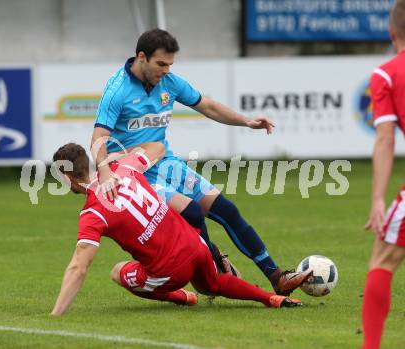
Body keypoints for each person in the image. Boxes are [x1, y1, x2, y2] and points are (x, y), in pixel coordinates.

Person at [91, 28, 311, 295]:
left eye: (170, 64)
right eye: (161, 64)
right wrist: (103, 169)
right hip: (139, 178)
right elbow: (99, 136)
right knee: (193, 214)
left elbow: (206, 105)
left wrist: (246, 121)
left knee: (226, 209)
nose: (166, 70)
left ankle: (277, 276)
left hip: (167, 164)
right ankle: (214, 266)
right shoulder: (117, 91)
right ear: (141, 57)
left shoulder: (168, 82)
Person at [50, 142, 303, 315]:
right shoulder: (124, 168)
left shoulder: (92, 212)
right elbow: (158, 147)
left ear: (66, 177)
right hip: (197, 246)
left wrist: (56, 312)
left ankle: (182, 297)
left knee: (117, 272)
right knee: (211, 284)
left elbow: (78, 267)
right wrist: (112, 161)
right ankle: (270, 297)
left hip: (171, 272)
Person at [363, 1, 405, 348]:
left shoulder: (388, 74)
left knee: (383, 259)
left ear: (392, 33)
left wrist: (378, 197)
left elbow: (386, 138)